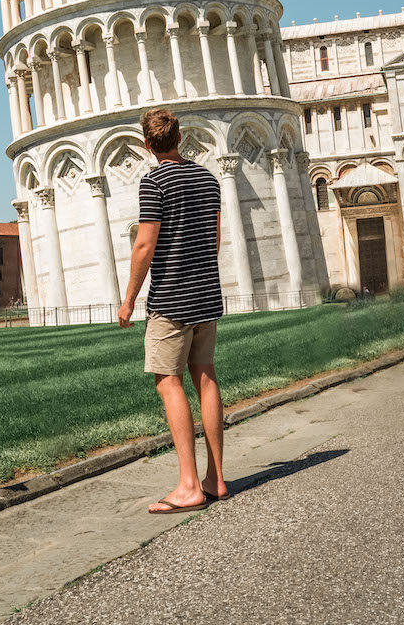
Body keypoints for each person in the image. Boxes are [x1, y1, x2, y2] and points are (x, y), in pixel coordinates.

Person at [118, 107, 229, 514]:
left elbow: (145, 245)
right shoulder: (208, 178)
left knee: (168, 382)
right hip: (206, 294)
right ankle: (215, 479)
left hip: (171, 298)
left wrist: (129, 298)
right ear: (178, 138)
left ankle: (188, 485)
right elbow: (214, 240)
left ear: (147, 143)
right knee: (206, 377)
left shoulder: (155, 182)